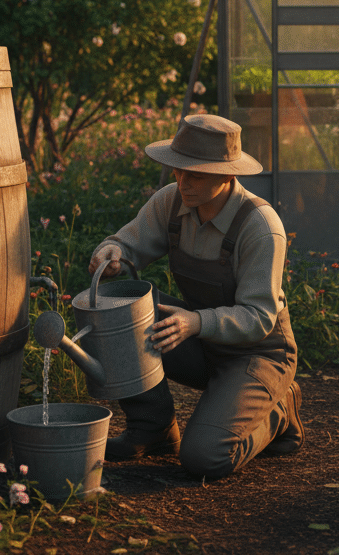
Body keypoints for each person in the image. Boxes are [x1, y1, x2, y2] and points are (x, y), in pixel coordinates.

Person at [87, 113, 301, 479]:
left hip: (258, 353)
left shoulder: (261, 228)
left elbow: (259, 317)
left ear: (227, 174)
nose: (183, 181)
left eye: (196, 173)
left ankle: (280, 411)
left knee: (205, 459)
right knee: (114, 306)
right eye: (177, 170)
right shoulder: (170, 202)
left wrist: (196, 321)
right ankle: (151, 428)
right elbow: (127, 243)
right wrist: (111, 254)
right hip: (199, 341)